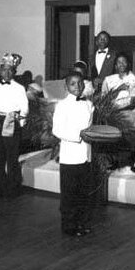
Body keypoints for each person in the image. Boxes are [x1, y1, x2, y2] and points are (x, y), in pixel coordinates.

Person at [52, 72, 95, 237]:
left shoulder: (88, 104)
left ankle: (82, 222)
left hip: (86, 154)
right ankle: (69, 225)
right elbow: (57, 130)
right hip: (70, 156)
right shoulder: (62, 105)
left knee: (83, 192)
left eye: (80, 83)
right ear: (66, 86)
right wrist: (78, 135)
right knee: (69, 193)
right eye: (73, 84)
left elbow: (89, 127)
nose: (77, 87)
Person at [0, 53, 29, 200]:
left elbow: (24, 107)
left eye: (10, 70)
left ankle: (12, 189)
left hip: (12, 122)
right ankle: (1, 188)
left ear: (14, 72)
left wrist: (20, 123)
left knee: (12, 157)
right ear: (0, 71)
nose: (7, 73)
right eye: (4, 70)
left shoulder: (19, 88)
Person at [101, 53, 135, 143]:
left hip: (129, 110)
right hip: (111, 110)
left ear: (128, 64)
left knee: (125, 125)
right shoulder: (109, 80)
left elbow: (132, 104)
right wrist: (119, 89)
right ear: (116, 65)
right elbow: (104, 100)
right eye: (119, 62)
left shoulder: (134, 80)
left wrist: (117, 111)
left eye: (124, 62)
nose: (122, 64)